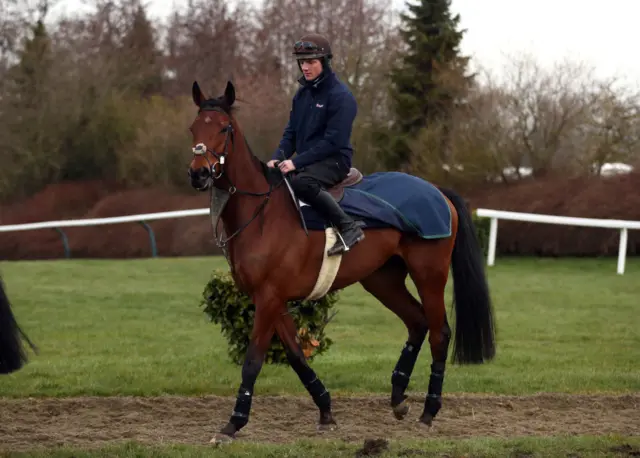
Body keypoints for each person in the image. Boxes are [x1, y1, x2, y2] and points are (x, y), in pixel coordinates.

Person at [267, 33, 365, 256]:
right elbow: (291, 132)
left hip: (334, 160)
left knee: (302, 183)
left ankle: (349, 227)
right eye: (302, 62)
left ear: (325, 61)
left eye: (311, 62)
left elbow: (334, 142)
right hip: (307, 160)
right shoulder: (301, 95)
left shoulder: (341, 96)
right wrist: (278, 157)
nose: (305, 67)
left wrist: (296, 162)